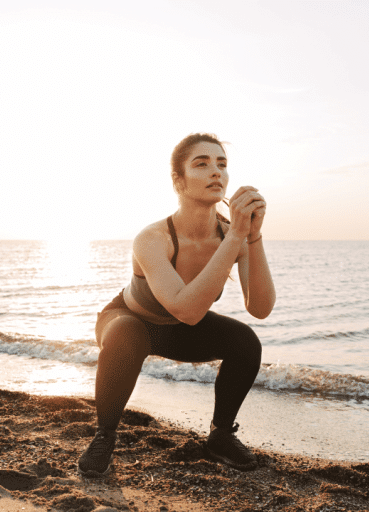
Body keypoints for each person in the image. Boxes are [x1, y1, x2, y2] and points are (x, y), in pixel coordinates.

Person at [78, 133, 276, 477]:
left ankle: (220, 435)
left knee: (246, 341)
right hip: (129, 321)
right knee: (126, 331)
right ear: (178, 182)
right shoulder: (153, 238)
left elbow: (260, 308)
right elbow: (186, 309)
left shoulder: (233, 236)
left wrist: (253, 237)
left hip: (180, 331)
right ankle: (105, 435)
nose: (216, 171)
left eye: (222, 164)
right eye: (201, 164)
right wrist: (235, 238)